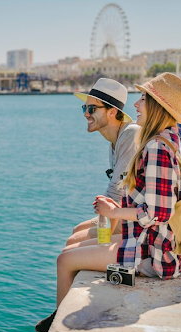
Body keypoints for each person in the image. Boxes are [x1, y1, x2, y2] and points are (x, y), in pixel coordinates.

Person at [35, 72, 181, 332]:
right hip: (148, 238)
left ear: (156, 105)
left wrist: (112, 212)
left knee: (65, 260)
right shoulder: (163, 139)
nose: (136, 104)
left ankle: (60, 329)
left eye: (143, 98)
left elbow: (159, 212)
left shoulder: (152, 146)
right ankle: (61, 310)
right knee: (73, 244)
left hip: (152, 250)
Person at [67, 78, 139, 247]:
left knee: (72, 242)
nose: (86, 114)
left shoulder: (130, 135)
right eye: (84, 108)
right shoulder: (115, 140)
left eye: (91, 108)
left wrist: (103, 231)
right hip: (125, 212)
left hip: (139, 220)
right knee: (77, 230)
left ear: (112, 112)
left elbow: (116, 193)